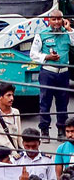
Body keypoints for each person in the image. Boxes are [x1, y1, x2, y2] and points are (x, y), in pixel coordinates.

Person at [31, 10, 74, 141]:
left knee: (63, 103)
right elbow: (33, 54)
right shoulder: (42, 34)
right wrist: (47, 57)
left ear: (63, 20)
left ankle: (61, 130)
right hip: (47, 72)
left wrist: (70, 29)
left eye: (59, 19)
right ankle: (44, 131)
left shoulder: (68, 33)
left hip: (63, 73)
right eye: (53, 19)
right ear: (49, 21)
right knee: (45, 102)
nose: (56, 22)